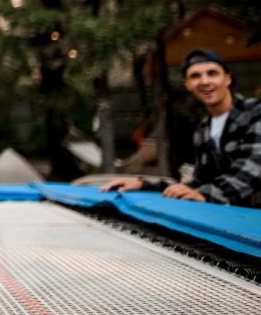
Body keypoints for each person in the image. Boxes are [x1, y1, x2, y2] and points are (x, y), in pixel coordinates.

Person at [102, 48, 261, 207]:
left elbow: (252, 169)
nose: (204, 81)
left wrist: (203, 193)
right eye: (195, 76)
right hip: (235, 224)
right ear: (188, 84)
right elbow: (198, 184)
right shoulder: (203, 130)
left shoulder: (255, 112)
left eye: (212, 73)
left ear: (228, 79)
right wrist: (143, 185)